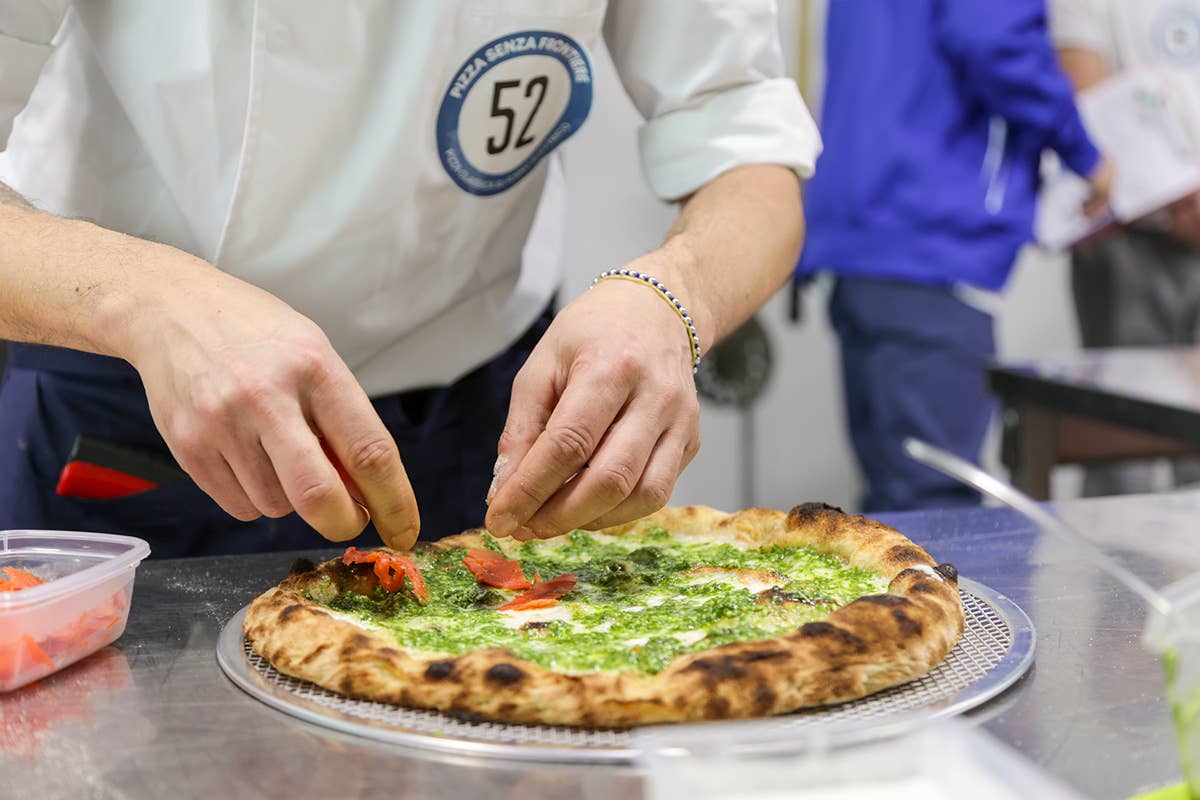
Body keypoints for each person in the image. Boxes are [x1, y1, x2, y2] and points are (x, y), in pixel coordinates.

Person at [0, 3, 820, 556]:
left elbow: (742, 134)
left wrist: (672, 297)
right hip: (149, 409)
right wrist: (151, 300)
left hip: (489, 415)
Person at [797, 0, 1112, 513]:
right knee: (933, 507)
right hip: (927, 238)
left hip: (867, 242)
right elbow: (995, 40)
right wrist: (1086, 152)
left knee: (899, 499)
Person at [1051, 0, 1200, 496]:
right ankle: (1112, 578)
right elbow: (1085, 102)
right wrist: (1169, 196)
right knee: (1121, 447)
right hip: (1130, 234)